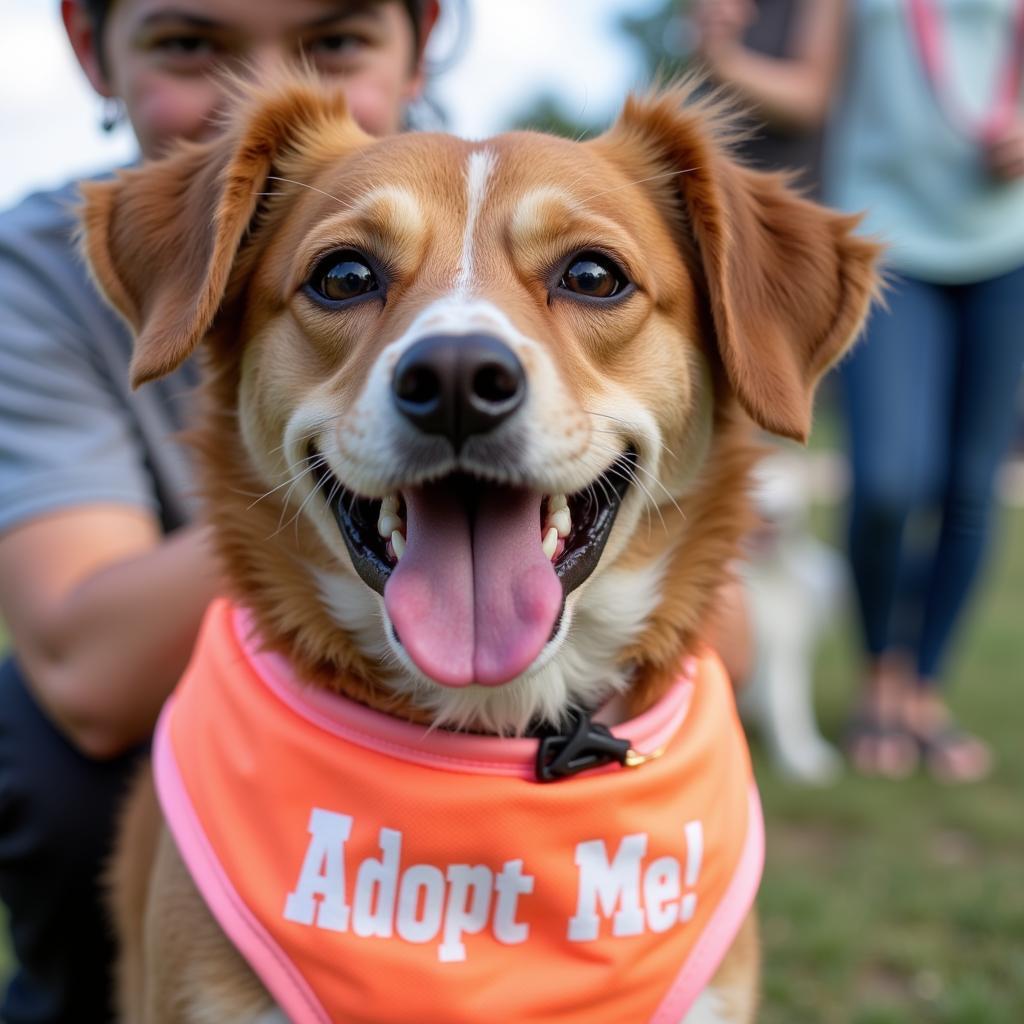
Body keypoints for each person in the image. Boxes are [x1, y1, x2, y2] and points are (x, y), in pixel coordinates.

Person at [0, 2, 439, 1020]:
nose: (265, 99)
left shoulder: (544, 196)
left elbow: (712, 638)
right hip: (193, 746)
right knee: (38, 737)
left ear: (419, 42)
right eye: (192, 45)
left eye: (333, 43)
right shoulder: (41, 273)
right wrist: (360, 464)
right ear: (87, 47)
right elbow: (86, 669)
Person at [694, 0, 1024, 781]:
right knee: (886, 480)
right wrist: (721, 53)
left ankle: (921, 694)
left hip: (1006, 248)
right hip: (889, 242)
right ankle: (880, 673)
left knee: (970, 487)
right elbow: (811, 93)